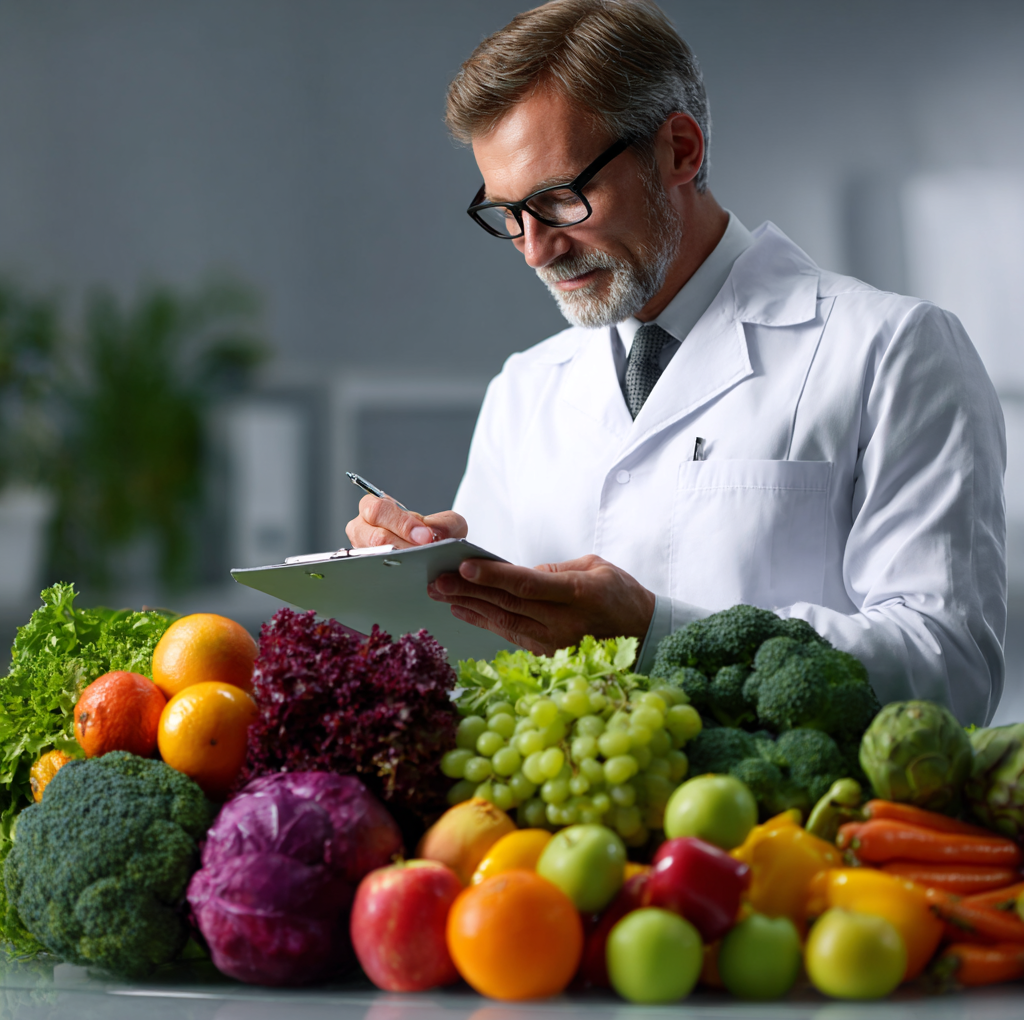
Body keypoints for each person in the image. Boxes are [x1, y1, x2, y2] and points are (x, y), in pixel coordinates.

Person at [346, 0, 1006, 726]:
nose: (535, 249)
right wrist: (421, 579)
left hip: (776, 835)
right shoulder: (524, 388)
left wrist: (658, 635)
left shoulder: (894, 351)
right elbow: (480, 674)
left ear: (680, 151)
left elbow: (951, 670)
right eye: (507, 215)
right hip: (552, 838)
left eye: (561, 200)